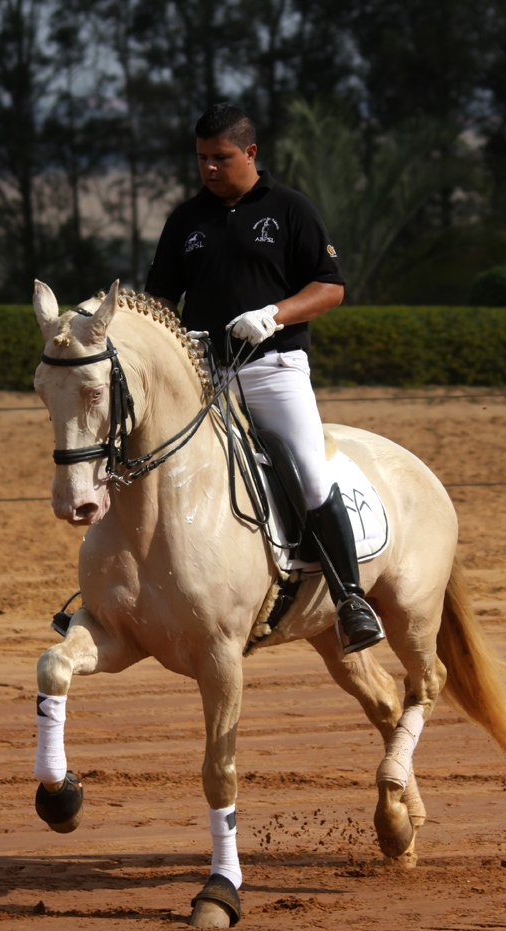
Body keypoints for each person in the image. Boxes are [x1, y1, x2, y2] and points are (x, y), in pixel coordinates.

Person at [146, 103, 383, 652]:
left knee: (308, 473)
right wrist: (166, 337)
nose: (209, 168)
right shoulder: (185, 220)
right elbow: (161, 295)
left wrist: (272, 315)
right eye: (202, 158)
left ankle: (351, 600)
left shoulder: (291, 209)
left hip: (273, 368)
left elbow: (330, 286)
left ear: (250, 153)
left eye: (221, 158)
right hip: (205, 375)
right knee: (154, 462)